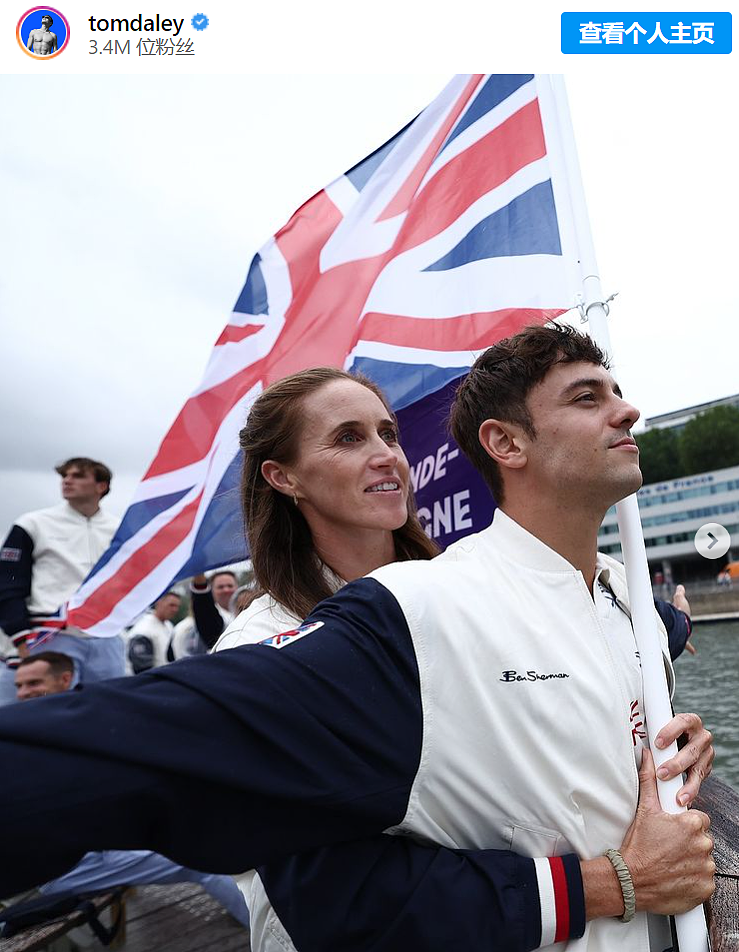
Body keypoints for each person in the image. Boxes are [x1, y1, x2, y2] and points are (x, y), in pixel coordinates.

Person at [0, 342, 715, 951]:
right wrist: (609, 881)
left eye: (387, 434)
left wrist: (650, 714)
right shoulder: (311, 633)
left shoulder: (473, 588)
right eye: (348, 439)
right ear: (282, 478)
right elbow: (327, 890)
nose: (386, 458)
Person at [0, 457, 123, 685]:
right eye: (64, 475)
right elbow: (7, 582)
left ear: (101, 486)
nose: (67, 480)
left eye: (78, 476)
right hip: (49, 634)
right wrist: (20, 637)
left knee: (106, 714)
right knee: (45, 715)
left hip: (107, 637)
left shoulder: (120, 530)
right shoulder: (32, 524)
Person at [171, 570, 239, 657]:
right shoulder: (210, 617)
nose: (226, 590)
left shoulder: (246, 613)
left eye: (230, 586)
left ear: (237, 587)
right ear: (211, 591)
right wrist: (198, 571)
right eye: (220, 587)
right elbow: (203, 602)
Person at [124, 592, 181, 674]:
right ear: (159, 602)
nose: (175, 610)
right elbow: (141, 667)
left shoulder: (168, 625)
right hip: (147, 683)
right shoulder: (144, 629)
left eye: (177, 606)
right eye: (171, 605)